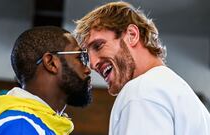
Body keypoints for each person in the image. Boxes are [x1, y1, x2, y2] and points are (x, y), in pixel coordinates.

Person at [74, 1, 210, 135]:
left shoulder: (141, 91)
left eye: (98, 46)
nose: (92, 64)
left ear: (132, 35)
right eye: (87, 56)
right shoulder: (175, 90)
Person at [0, 26, 92, 135]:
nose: (88, 69)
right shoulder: (20, 127)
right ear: (51, 63)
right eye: (79, 57)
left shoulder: (33, 125)